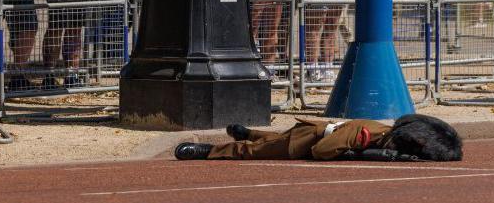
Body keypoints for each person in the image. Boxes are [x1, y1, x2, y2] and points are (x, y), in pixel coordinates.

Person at [173, 114, 463, 162]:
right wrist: (360, 154)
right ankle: (207, 151)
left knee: (272, 138)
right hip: (307, 139)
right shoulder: (366, 135)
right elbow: (322, 151)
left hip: (312, 131)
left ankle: (248, 131)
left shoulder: (382, 133)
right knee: (253, 151)